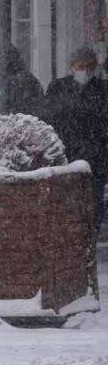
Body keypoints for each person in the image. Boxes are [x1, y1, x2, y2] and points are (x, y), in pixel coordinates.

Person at [43, 47, 108, 231]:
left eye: (89, 67)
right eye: (81, 66)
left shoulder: (101, 90)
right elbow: (49, 118)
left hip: (95, 159)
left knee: (93, 206)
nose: (85, 71)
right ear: (72, 67)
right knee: (68, 204)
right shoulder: (58, 88)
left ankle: (88, 235)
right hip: (67, 156)